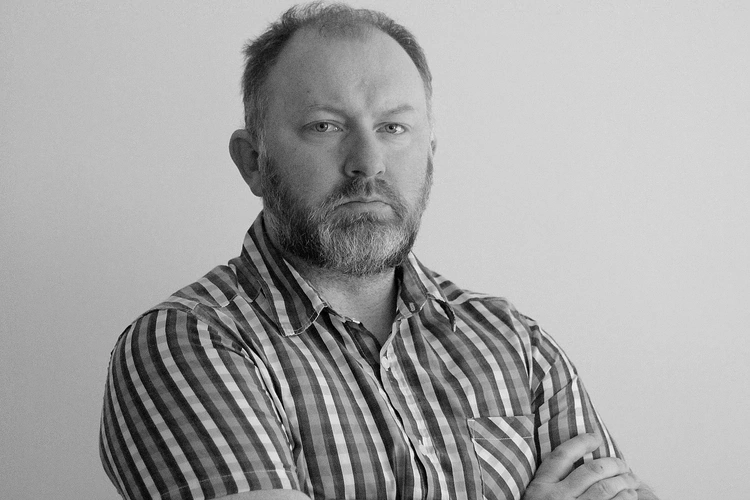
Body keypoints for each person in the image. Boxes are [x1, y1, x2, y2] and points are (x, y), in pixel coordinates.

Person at [99, 3, 658, 499]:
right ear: (252, 162)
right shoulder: (188, 343)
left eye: (393, 127)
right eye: (325, 126)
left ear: (430, 153)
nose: (368, 162)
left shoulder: (514, 343)